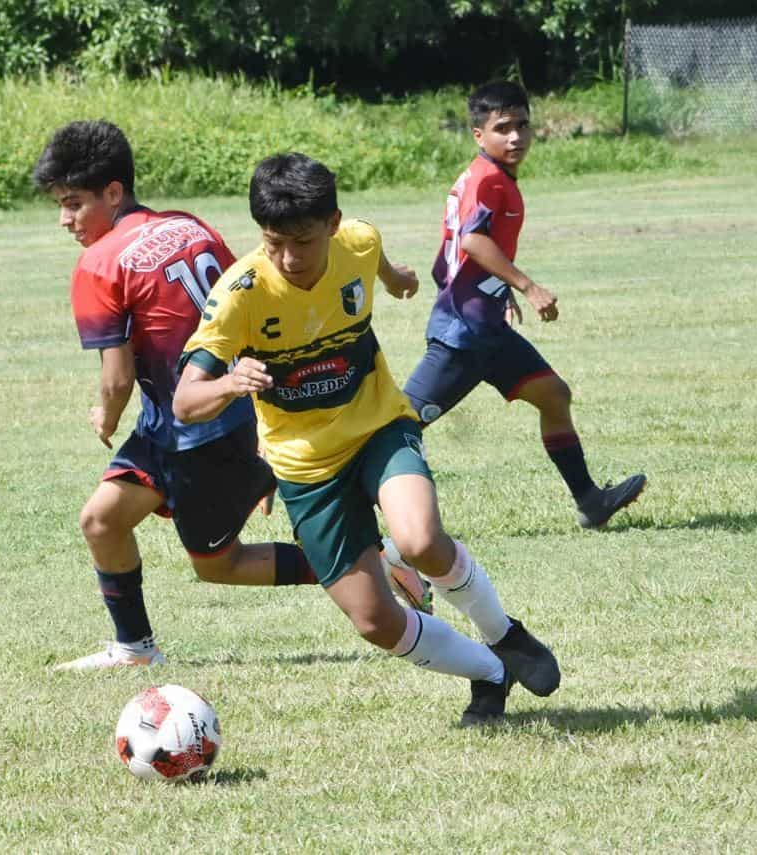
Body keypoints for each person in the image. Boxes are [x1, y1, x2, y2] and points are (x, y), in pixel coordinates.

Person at [174, 152, 559, 725]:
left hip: (379, 425)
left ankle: (505, 634)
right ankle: (490, 674)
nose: (286, 258)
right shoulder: (241, 293)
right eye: (273, 241)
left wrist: (397, 278)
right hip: (305, 468)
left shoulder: (357, 241)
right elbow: (185, 398)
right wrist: (230, 383)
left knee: (421, 538)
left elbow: (374, 262)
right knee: (376, 622)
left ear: (332, 225)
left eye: (301, 242)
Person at [34, 121, 429, 672]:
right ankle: (134, 648)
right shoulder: (188, 225)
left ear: (114, 192)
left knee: (218, 564)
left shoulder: (99, 265)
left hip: (198, 428)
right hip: (196, 419)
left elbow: (118, 375)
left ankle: (377, 565)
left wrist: (106, 412)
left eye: (74, 204)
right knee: (102, 520)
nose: (65, 219)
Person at [402, 80, 646, 529]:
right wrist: (528, 286)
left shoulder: (488, 177)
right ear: (479, 135)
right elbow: (472, 241)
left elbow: (451, 256)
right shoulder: (489, 180)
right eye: (502, 128)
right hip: (464, 335)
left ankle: (590, 501)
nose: (515, 137)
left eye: (522, 125)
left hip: (486, 329)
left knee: (554, 395)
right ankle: (341, 500)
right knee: (397, 427)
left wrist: (499, 288)